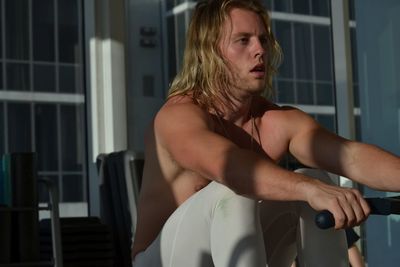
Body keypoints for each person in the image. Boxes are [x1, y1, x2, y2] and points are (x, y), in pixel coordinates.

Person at [131, 0, 400, 266]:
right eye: (243, 40)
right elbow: (233, 168)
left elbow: (349, 157)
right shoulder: (178, 116)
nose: (260, 50)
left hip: (240, 255)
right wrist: (310, 190)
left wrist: (316, 189)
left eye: (262, 39)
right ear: (209, 52)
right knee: (234, 192)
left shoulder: (273, 121)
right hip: (164, 259)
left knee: (315, 180)